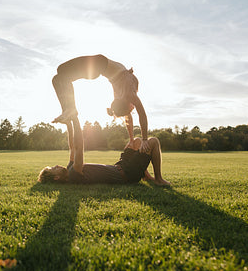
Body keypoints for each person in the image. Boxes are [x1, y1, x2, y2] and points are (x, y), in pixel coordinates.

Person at [51, 55, 149, 151]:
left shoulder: (121, 97)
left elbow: (128, 118)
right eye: (132, 109)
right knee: (57, 78)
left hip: (98, 66)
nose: (133, 108)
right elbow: (142, 114)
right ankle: (68, 110)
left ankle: (69, 110)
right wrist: (144, 139)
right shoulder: (128, 95)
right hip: (99, 64)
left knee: (61, 72)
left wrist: (132, 139)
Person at [38, 115, 170, 186]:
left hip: (121, 166)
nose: (55, 165)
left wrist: (68, 124)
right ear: (56, 177)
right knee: (153, 142)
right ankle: (158, 179)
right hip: (128, 174)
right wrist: (75, 119)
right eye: (52, 168)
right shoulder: (74, 174)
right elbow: (79, 148)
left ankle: (146, 176)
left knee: (136, 141)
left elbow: (72, 147)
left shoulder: (70, 168)